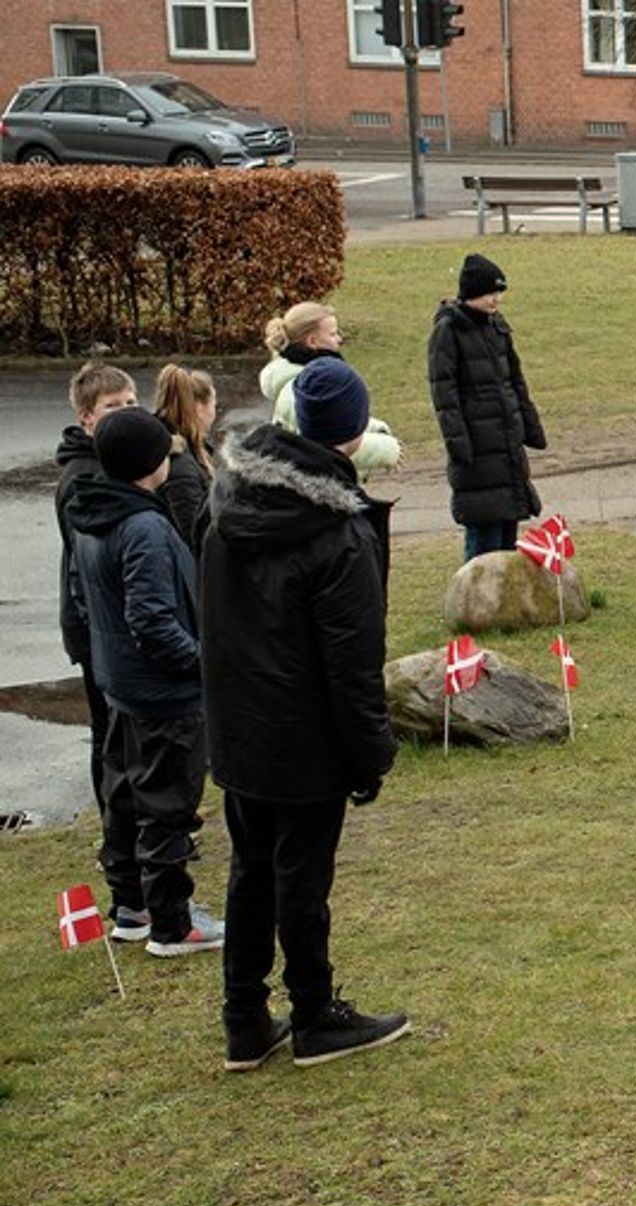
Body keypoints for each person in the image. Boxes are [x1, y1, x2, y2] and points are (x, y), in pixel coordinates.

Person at [202, 356, 410, 1071]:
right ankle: (312, 1011)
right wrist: (371, 753)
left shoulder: (228, 502)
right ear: (353, 431)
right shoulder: (337, 533)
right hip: (300, 735)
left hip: (241, 725)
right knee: (298, 879)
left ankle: (244, 1017)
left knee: (252, 870)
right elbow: (352, 662)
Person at [65, 408, 225, 958]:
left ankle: (131, 906)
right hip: (162, 692)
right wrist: (203, 663)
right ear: (149, 461)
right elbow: (154, 620)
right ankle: (172, 923)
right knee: (167, 803)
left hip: (120, 683)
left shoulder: (91, 511)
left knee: (127, 793)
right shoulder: (144, 526)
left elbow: (84, 597)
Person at [55, 362, 139, 847]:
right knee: (108, 729)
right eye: (113, 407)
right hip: (96, 625)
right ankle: (115, 831)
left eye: (130, 403)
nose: (126, 413)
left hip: (105, 618)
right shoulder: (84, 476)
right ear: (87, 417)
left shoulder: (111, 461)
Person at [428, 254, 549, 563]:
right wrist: (459, 443)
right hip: (476, 444)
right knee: (484, 531)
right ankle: (476, 602)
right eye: (489, 293)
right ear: (471, 293)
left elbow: (516, 379)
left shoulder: (498, 327)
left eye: (499, 293)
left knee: (508, 523)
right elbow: (444, 392)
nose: (496, 299)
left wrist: (529, 426)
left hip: (505, 438)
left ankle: (503, 598)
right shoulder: (448, 331)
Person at [259, 302, 403, 480]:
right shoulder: (304, 391)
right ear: (312, 341)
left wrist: (370, 425)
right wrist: (385, 449)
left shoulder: (306, 383)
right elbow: (324, 447)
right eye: (333, 334)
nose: (339, 339)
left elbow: (330, 418)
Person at [150, 365, 219, 551]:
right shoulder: (182, 466)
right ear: (198, 408)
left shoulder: (185, 449)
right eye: (214, 405)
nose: (215, 413)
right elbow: (195, 535)